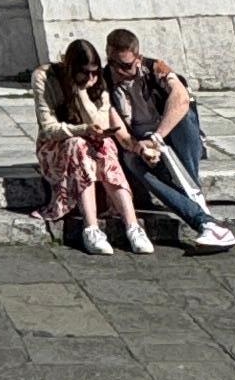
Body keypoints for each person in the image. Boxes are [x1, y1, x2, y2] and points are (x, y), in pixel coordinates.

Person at [102, 31, 235, 248]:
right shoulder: (104, 83)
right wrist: (141, 148)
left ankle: (200, 213)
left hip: (171, 135)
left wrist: (157, 138)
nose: (120, 71)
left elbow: (181, 97)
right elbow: (119, 130)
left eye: (126, 65)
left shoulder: (155, 68)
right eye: (113, 63)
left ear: (138, 57)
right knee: (131, 161)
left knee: (182, 115)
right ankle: (205, 221)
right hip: (140, 142)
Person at [35, 39, 151, 253]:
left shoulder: (98, 83)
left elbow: (101, 123)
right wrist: (82, 126)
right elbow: (48, 128)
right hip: (55, 147)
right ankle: (91, 228)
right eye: (84, 73)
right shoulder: (44, 77)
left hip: (93, 146)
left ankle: (133, 226)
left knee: (104, 144)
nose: (91, 78)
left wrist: (83, 95)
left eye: (95, 72)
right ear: (71, 69)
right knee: (79, 145)